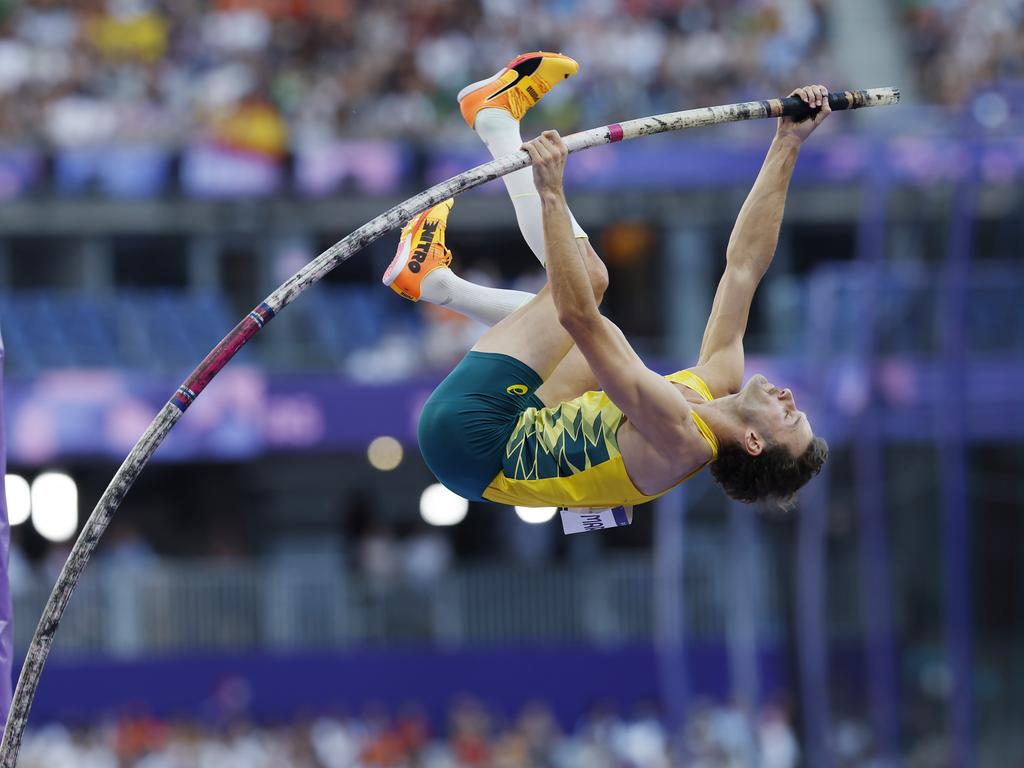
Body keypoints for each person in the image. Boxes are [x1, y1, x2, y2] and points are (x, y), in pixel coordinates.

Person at [383, 52, 828, 511]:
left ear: (754, 442)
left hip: (472, 437)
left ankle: (494, 121)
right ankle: (438, 284)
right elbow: (744, 265)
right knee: (599, 357)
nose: (790, 399)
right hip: (502, 441)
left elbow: (576, 315)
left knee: (591, 288)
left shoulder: (678, 439)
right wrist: (788, 143)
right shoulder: (713, 384)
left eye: (790, 418)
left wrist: (551, 192)